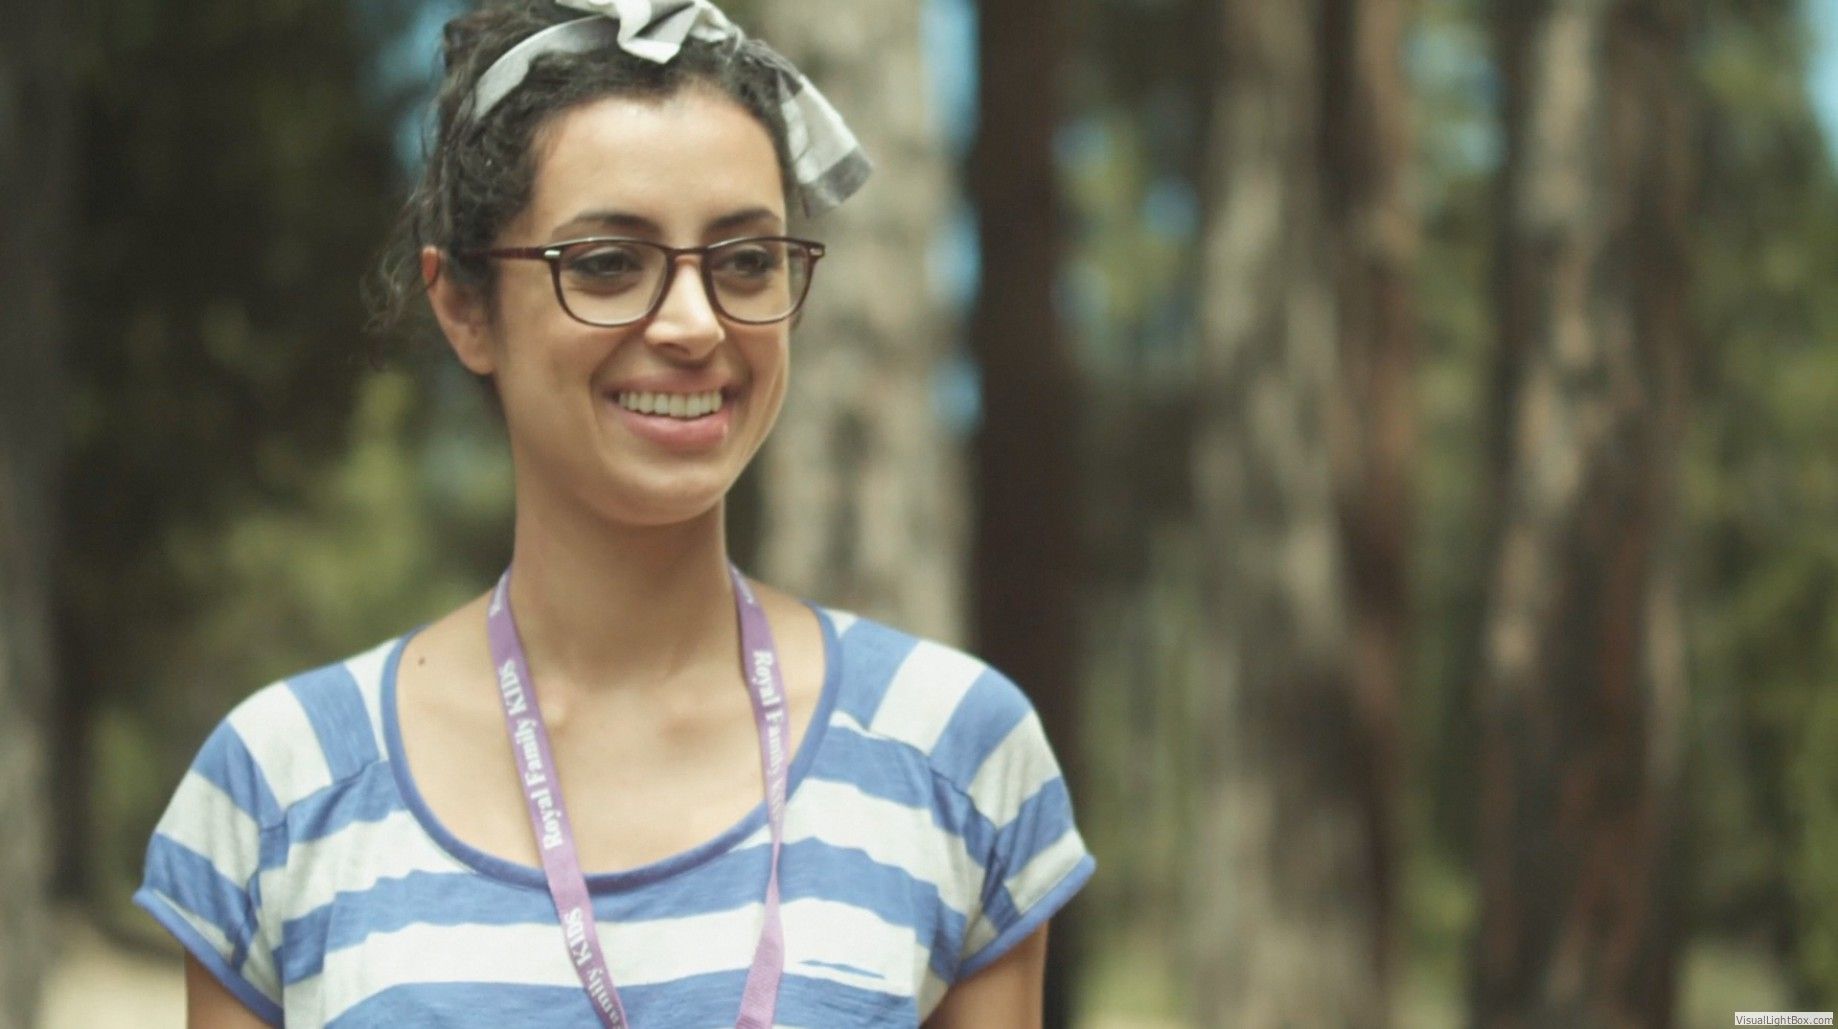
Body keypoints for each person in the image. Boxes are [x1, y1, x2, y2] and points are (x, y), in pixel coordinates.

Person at [135, 1, 1094, 1025]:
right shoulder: (283, 787)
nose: (692, 323)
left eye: (745, 260)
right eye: (604, 263)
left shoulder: (952, 753)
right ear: (462, 307)